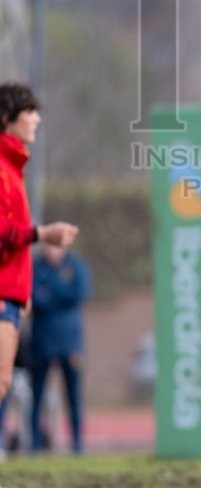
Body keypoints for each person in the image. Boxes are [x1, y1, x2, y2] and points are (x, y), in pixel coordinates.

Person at [0, 82, 79, 451]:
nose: (37, 118)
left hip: (11, 295)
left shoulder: (14, 167)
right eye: (29, 111)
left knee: (2, 383)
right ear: (6, 118)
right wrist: (41, 233)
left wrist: (22, 291)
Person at [30, 244, 91, 454]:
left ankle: (77, 445)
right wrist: (55, 295)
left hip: (71, 343)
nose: (51, 250)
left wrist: (49, 293)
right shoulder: (36, 267)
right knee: (36, 394)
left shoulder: (76, 266)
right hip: (41, 342)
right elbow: (32, 296)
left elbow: (78, 293)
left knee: (73, 396)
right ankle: (35, 445)